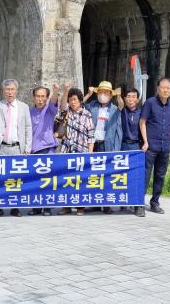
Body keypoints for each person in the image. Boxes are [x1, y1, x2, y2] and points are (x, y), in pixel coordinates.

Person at [0, 79, 32, 217]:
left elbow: (28, 127)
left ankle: (15, 207)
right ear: (4, 91)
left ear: (16, 91)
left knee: (16, 179)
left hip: (17, 148)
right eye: (7, 89)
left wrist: (28, 147)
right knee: (0, 179)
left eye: (12, 89)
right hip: (1, 147)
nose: (10, 92)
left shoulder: (23, 107)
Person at [139, 78, 170, 215]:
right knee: (144, 176)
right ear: (158, 88)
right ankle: (139, 204)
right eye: (163, 87)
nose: (165, 90)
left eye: (168, 88)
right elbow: (142, 122)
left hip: (165, 147)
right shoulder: (150, 103)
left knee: (160, 176)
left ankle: (155, 203)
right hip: (150, 147)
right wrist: (145, 141)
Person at [84, 81, 122, 214]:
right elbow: (78, 105)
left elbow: (119, 130)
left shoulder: (114, 109)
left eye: (106, 93)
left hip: (108, 145)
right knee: (93, 174)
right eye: (100, 92)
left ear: (110, 96)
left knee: (107, 175)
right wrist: (89, 94)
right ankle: (95, 203)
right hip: (93, 145)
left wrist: (116, 150)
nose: (102, 95)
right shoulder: (92, 106)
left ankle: (107, 204)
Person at [58, 84, 94, 216]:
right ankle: (66, 206)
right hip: (66, 151)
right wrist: (66, 91)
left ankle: (80, 207)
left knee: (81, 180)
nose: (72, 102)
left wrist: (89, 154)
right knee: (66, 179)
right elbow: (62, 105)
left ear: (80, 100)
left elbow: (91, 136)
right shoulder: (66, 112)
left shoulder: (87, 114)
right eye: (70, 99)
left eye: (75, 99)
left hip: (82, 151)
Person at [28, 84, 59, 216]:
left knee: (47, 180)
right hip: (33, 150)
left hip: (47, 149)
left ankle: (47, 206)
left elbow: (54, 100)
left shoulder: (50, 109)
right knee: (34, 180)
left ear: (46, 98)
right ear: (34, 98)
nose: (40, 99)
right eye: (37, 96)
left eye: (43, 96)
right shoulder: (28, 111)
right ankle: (36, 206)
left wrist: (55, 91)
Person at [116, 87, 145, 216]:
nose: (131, 99)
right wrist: (117, 96)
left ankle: (138, 205)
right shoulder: (121, 111)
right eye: (128, 96)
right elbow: (120, 104)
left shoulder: (142, 113)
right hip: (122, 145)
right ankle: (124, 200)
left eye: (134, 96)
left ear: (137, 99)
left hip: (136, 146)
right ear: (124, 98)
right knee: (122, 175)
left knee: (137, 176)